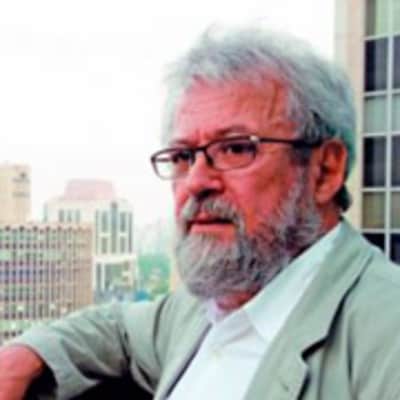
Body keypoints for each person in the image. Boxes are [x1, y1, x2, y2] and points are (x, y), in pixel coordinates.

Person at [1, 25, 400, 400]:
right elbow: (118, 330)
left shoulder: (383, 337)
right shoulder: (202, 310)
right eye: (182, 156)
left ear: (324, 170)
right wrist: (27, 353)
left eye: (236, 148)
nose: (196, 181)